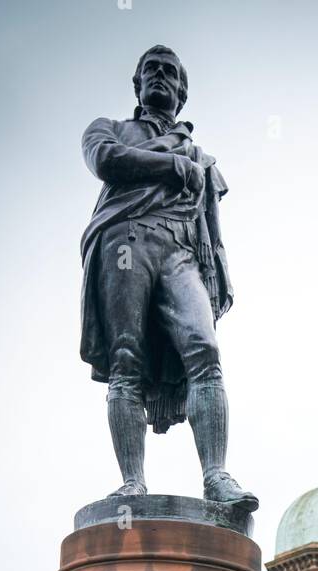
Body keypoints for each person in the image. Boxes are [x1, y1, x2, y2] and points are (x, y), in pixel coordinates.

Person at [79, 45, 257, 510]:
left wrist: (216, 271)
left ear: (181, 91)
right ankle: (132, 481)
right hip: (125, 240)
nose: (159, 76)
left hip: (181, 250)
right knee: (126, 358)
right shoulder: (109, 129)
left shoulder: (203, 155)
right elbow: (106, 161)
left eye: (169, 72)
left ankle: (216, 476)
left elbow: (211, 229)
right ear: (137, 84)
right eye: (150, 70)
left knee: (205, 348)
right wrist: (174, 165)